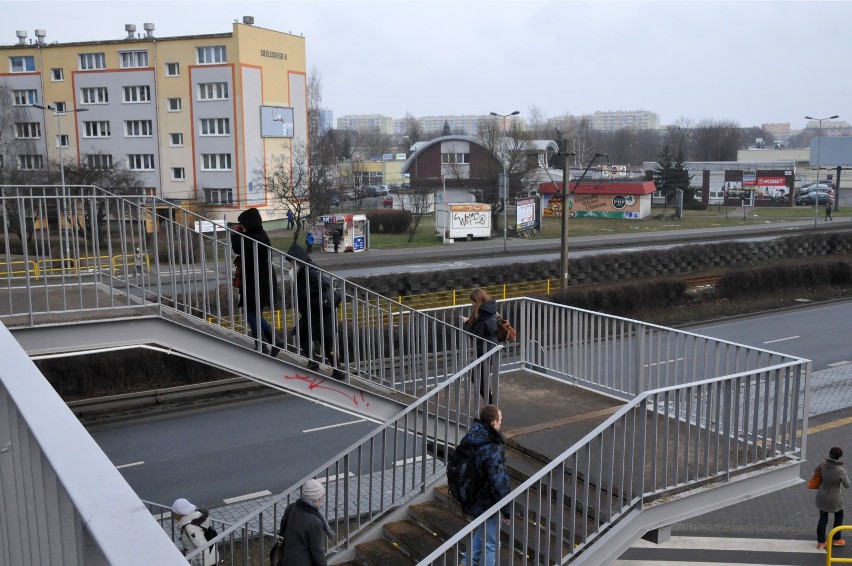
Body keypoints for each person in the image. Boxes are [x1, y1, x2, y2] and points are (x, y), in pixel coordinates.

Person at [458, 405, 511, 566]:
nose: (501, 423)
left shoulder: (472, 436)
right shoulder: (493, 448)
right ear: (494, 422)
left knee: (484, 531)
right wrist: (506, 510)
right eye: (500, 420)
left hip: (470, 495)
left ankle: (466, 562)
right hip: (486, 501)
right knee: (492, 545)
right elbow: (499, 482)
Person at [231, 208, 284, 357]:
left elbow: (237, 247)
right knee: (254, 314)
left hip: (257, 283)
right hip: (257, 281)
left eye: (244, 225)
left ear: (250, 224)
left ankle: (269, 342)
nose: (243, 227)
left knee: (251, 315)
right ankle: (267, 343)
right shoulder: (257, 235)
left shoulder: (256, 239)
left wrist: (236, 233)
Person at [287, 243, 344, 380]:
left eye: (292, 262)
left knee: (326, 341)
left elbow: (322, 285)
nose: (291, 265)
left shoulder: (310, 271)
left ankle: (337, 370)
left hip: (321, 313)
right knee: (302, 333)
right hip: (313, 313)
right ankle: (314, 362)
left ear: (298, 260)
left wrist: (308, 296)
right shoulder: (303, 271)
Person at [277, 479, 335, 565]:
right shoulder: (314, 521)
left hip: (286, 558)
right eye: (320, 499)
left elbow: (282, 531)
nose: (321, 501)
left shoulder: (291, 507)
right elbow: (317, 552)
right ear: (316, 499)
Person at [462, 288, 499, 404]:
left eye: (472, 302)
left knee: (476, 377)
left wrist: (466, 323)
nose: (471, 304)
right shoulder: (490, 308)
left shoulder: (481, 317)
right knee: (480, 376)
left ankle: (491, 403)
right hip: (492, 347)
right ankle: (490, 400)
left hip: (485, 351)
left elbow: (474, 335)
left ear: (476, 301)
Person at [816, 446, 850, 549]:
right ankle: (836, 539)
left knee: (823, 518)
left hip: (822, 495)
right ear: (839, 457)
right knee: (839, 517)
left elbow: (816, 472)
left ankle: (821, 542)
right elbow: (847, 485)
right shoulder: (841, 470)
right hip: (835, 497)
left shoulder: (823, 465)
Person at [172, 498, 218, 566]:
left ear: (179, 514)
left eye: (174, 513)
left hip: (204, 562)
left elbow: (204, 548)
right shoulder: (196, 516)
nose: (173, 516)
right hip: (210, 557)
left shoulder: (190, 527)